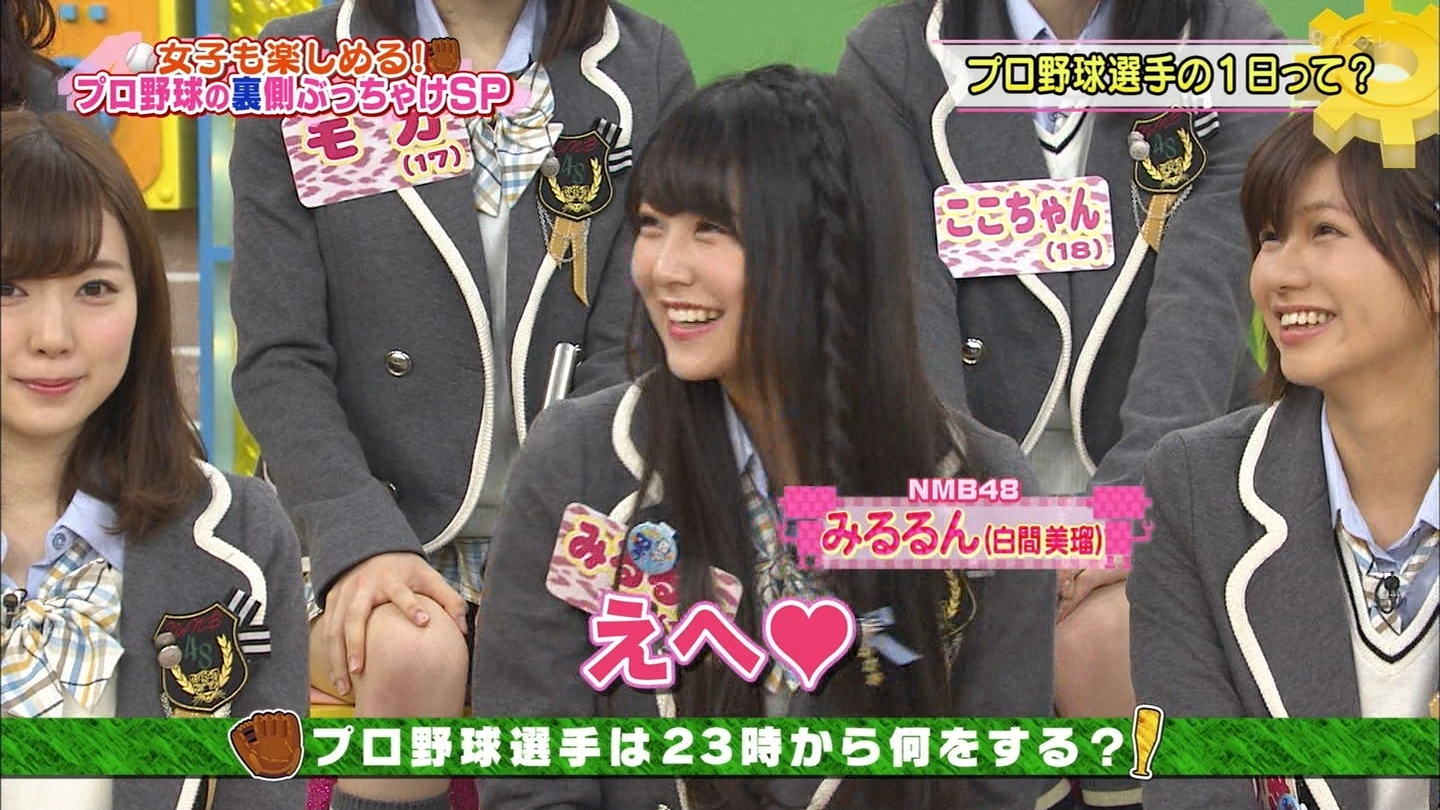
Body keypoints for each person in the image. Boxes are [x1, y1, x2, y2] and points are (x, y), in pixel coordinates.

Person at [471, 65, 1056, 810]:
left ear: (827, 250)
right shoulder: (577, 464)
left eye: (712, 230)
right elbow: (532, 783)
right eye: (651, 223)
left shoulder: (985, 490)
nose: (664, 268)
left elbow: (994, 788)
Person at [229, 1, 693, 807]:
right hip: (367, 517)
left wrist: (551, 541)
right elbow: (281, 358)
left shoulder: (643, 62)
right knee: (409, 651)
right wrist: (361, 541)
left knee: (671, 643)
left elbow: (633, 350)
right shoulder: (303, 60)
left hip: (583, 508)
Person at [838, 3, 1284, 806]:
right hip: (964, 474)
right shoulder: (894, 53)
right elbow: (908, 306)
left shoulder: (1233, 42)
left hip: (1172, 465)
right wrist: (985, 516)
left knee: (1105, 643)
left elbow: (1203, 302)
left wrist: (1125, 511)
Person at [0, 109, 308, 809]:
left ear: (144, 303)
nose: (53, 336)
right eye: (7, 288)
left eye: (94, 289)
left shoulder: (241, 535)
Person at [1129, 115, 1439, 810]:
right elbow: (1194, 785)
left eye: (1324, 230)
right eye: (1270, 237)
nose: (1277, 274)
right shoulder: (1194, 487)